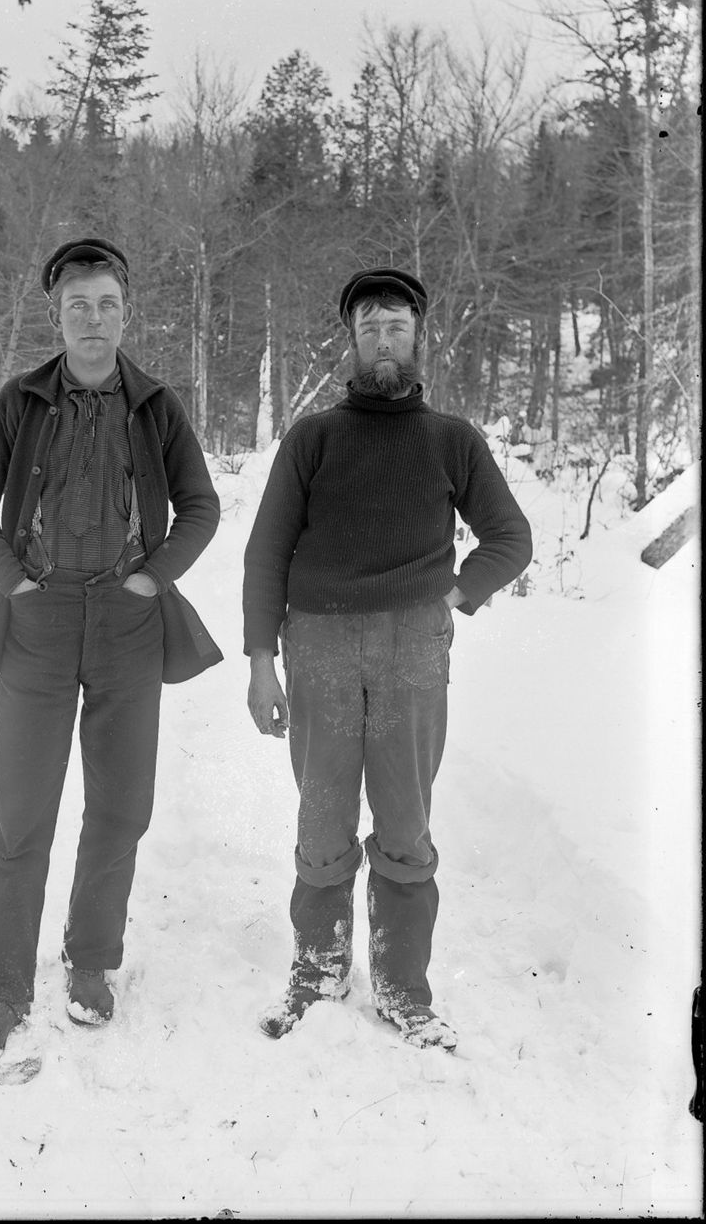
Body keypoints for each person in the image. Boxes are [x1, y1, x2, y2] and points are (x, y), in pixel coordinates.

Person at [243, 267, 532, 1050]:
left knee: (405, 821)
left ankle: (404, 989)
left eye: (395, 325)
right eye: (368, 326)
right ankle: (317, 972)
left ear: (416, 337)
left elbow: (511, 537)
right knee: (323, 813)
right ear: (352, 340)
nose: (381, 338)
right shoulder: (314, 438)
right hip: (321, 646)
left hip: (412, 649)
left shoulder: (451, 440)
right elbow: (267, 552)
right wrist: (260, 659)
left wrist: (458, 595)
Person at [0, 237, 220, 1064]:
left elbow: (201, 507)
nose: (93, 318)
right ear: (57, 315)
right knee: (22, 814)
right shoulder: (21, 401)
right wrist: (14, 584)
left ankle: (92, 959)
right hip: (37, 622)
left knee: (121, 806)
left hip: (129, 625)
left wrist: (151, 581)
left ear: (126, 310)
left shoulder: (158, 405)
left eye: (107, 304)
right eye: (78, 306)